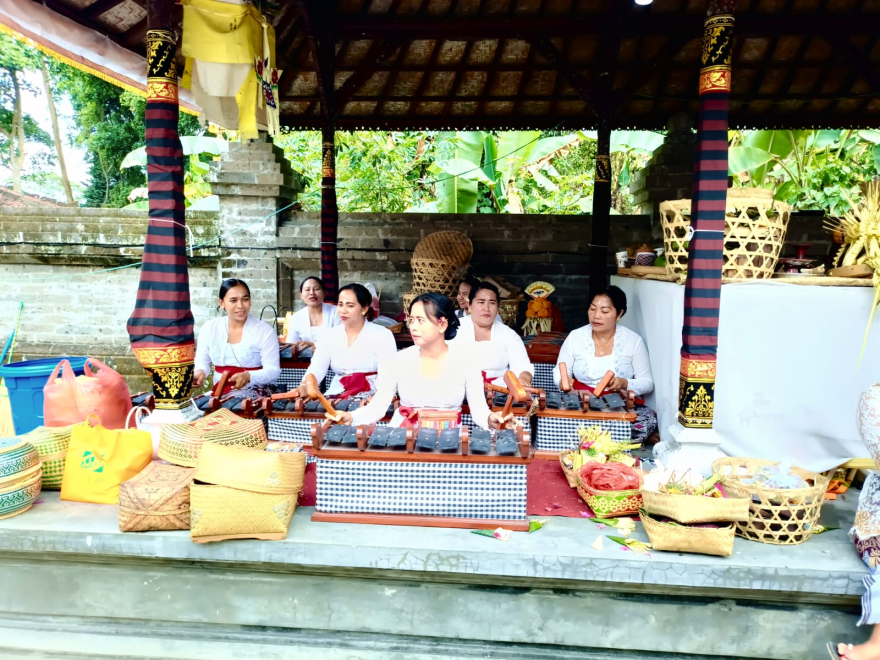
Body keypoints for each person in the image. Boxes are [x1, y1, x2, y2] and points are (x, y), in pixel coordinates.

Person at [336, 293, 512, 430]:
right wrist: (352, 417)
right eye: (411, 320)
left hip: (447, 439)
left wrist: (491, 419)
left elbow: (479, 410)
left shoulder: (466, 361)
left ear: (442, 325)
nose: (413, 327)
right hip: (403, 435)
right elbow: (378, 406)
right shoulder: (398, 361)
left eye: (421, 321)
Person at [552, 285, 657, 444]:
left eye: (605, 311)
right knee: (554, 419)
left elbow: (647, 383)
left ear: (619, 314)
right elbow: (560, 369)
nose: (596, 316)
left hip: (616, 405)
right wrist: (563, 380)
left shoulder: (633, 341)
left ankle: (589, 439)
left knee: (646, 419)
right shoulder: (575, 337)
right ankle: (611, 439)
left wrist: (625, 383)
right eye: (592, 309)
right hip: (581, 402)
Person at [297, 283, 397, 399]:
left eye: (350, 306)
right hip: (338, 391)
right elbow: (317, 367)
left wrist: (382, 398)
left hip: (373, 393)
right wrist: (305, 385)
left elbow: (389, 374)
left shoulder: (382, 334)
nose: (343, 310)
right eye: (340, 304)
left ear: (364, 309)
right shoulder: (329, 336)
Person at [194, 278, 281, 396]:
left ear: (250, 301)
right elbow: (202, 362)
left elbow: (273, 371)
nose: (240, 305)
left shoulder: (265, 332)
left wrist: (249, 376)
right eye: (233, 300)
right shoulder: (209, 328)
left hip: (255, 393)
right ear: (221, 303)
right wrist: (200, 372)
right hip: (219, 392)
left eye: (245, 299)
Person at [452, 281, 534, 388]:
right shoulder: (454, 330)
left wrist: (523, 378)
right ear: (470, 305)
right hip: (458, 392)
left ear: (497, 308)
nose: (486, 308)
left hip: (499, 393)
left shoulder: (508, 335)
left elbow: (522, 366)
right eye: (481, 302)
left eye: (492, 303)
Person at [284, 276, 341, 356]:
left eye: (316, 289)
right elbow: (292, 345)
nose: (312, 293)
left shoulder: (336, 312)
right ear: (301, 296)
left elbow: (341, 341)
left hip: (334, 359)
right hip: (305, 362)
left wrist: (314, 344)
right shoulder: (296, 318)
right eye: (307, 290)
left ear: (324, 293)